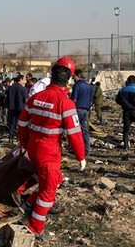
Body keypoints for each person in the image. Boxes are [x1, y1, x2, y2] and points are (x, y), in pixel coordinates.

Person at [17, 56, 86, 241]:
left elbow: (22, 123)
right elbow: (74, 134)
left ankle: (30, 203)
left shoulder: (36, 98)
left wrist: (24, 143)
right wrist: (81, 156)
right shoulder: (66, 103)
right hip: (49, 151)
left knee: (56, 178)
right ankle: (35, 227)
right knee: (49, 191)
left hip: (34, 146)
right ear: (69, 79)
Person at [115, 75, 135, 149]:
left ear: (128, 81)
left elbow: (117, 100)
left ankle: (126, 145)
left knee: (126, 129)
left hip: (126, 111)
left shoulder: (122, 90)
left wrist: (123, 104)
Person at [70, 69, 93, 156]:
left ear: (78, 76)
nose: (73, 79)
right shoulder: (89, 86)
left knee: (75, 131)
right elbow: (91, 100)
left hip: (77, 110)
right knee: (85, 130)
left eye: (74, 77)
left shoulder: (77, 85)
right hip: (85, 110)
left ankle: (77, 150)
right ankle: (87, 150)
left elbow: (74, 100)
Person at [6, 74, 28, 141]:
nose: (26, 81)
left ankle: (10, 136)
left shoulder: (11, 88)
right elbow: (26, 99)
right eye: (24, 79)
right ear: (21, 79)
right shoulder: (23, 89)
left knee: (12, 122)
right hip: (20, 108)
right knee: (20, 123)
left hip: (11, 107)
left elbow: (7, 97)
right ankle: (18, 137)